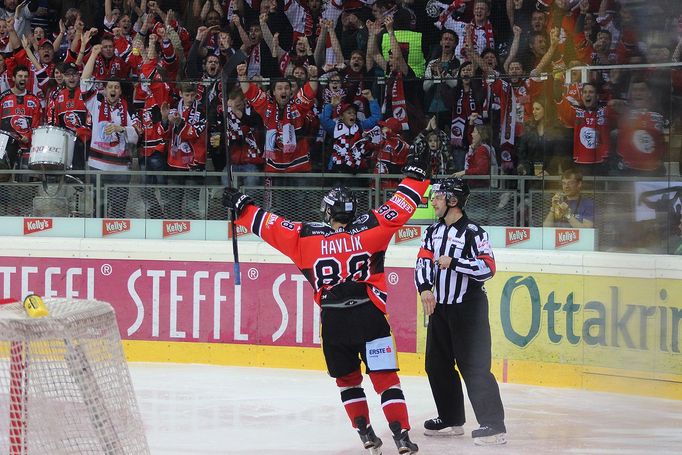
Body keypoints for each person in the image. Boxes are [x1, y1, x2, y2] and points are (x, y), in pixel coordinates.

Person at [221, 145, 433, 455]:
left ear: (326, 211)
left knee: (348, 381)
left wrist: (242, 207)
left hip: (334, 323)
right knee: (386, 379)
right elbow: (402, 204)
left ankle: (365, 434)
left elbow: (269, 225)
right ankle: (401, 436)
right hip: (370, 316)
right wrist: (415, 176)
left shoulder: (304, 237)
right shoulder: (374, 227)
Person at [414, 177, 506, 446]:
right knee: (436, 365)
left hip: (469, 309)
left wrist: (455, 262)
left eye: (438, 197)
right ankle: (451, 419)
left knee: (474, 367)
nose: (433, 201)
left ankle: (494, 426)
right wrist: (424, 289)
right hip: (440, 308)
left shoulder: (475, 233)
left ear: (453, 200)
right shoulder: (432, 231)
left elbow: (488, 269)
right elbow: (421, 262)